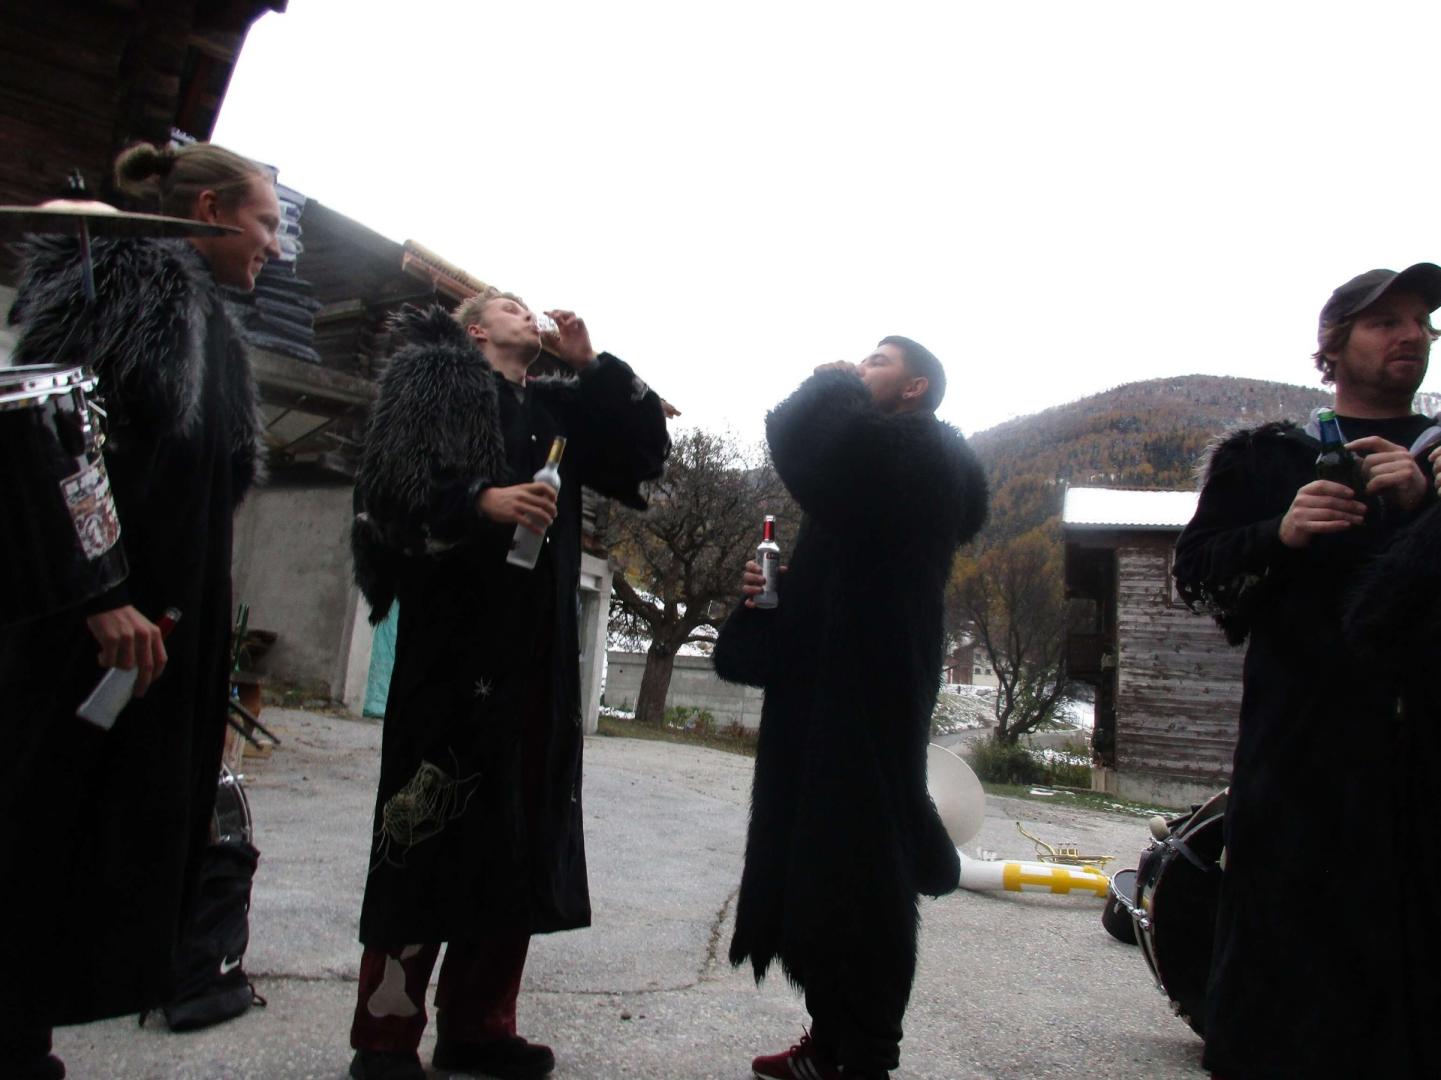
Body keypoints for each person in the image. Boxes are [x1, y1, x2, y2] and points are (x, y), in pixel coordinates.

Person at [0, 141, 279, 1079]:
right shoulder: (128, 279)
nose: (275, 246)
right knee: (34, 831)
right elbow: (48, 430)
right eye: (265, 222)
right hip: (84, 629)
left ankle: (24, 1038)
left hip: (154, 640)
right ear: (209, 211)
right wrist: (101, 593)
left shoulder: (209, 321)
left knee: (95, 845)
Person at [346, 290, 670, 1080]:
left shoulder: (560, 408)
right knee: (425, 828)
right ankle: (385, 1037)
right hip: (451, 653)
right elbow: (385, 496)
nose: (528, 314)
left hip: (536, 657)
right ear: (475, 328)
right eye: (508, 305)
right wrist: (479, 501)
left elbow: (643, 457)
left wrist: (593, 364)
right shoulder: (432, 381)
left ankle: (478, 1029)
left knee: (515, 837)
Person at [1173, 263, 1441, 1079]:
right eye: (1384, 321)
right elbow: (1195, 574)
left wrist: (1427, 509)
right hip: (1298, 766)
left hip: (1422, 773)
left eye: (1422, 322)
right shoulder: (1265, 461)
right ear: (1332, 345)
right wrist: (1279, 533)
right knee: (1282, 986)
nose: (1410, 335)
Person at [711, 338, 987, 1080]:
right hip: (821, 691)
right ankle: (829, 1042)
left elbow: (817, 450)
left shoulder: (928, 453)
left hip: (871, 689)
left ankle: (865, 1056)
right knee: (817, 863)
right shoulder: (871, 474)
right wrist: (773, 596)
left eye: (877, 360)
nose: (860, 366)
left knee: (862, 868)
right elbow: (840, 519)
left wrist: (827, 384)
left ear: (914, 388)